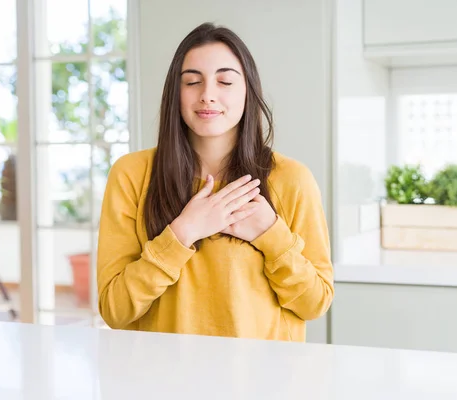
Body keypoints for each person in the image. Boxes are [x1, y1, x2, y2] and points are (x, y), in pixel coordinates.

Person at [96, 22, 334, 342]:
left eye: (225, 81)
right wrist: (182, 233)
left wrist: (271, 235)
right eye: (193, 82)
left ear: (247, 90)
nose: (207, 95)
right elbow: (115, 310)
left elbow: (315, 303)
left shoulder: (292, 179)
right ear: (175, 94)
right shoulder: (131, 174)